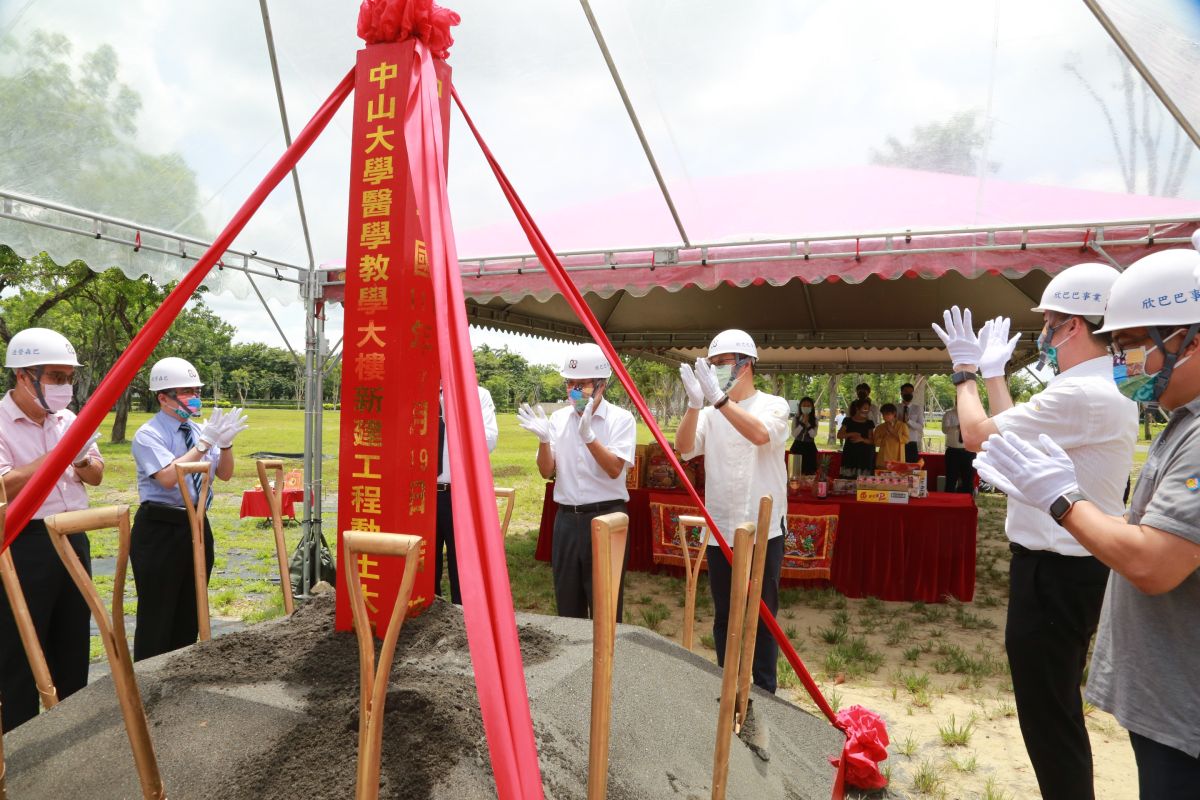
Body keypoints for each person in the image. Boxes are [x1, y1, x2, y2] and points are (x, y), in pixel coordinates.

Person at [974, 245, 1200, 799]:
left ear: (1191, 339)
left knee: (1050, 712)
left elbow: (1154, 561)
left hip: (1066, 576)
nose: (1122, 359)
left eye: (1132, 343)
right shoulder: (1178, 422)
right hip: (1166, 693)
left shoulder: (1098, 396)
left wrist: (1062, 501)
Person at [932, 261, 1136, 800]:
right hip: (1066, 565)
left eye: (1049, 321)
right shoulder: (1088, 388)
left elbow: (977, 433)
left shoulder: (1082, 394)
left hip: (1059, 568)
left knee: (1048, 716)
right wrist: (998, 378)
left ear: (1072, 325)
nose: (1043, 332)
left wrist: (965, 372)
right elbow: (1016, 436)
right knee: (1053, 707)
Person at [0, 328, 103, 732]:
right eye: (56, 377)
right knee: (21, 647)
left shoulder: (69, 419)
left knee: (72, 640)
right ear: (24, 375)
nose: (65, 386)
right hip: (25, 542)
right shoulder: (2, 423)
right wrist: (57, 455)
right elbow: (3, 485)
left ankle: (68, 734)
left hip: (73, 537)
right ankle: (21, 740)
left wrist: (79, 460)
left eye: (68, 378)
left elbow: (95, 474)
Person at [676, 329, 789, 693]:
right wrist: (696, 405)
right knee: (725, 614)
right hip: (721, 525)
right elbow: (684, 449)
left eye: (724, 363)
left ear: (747, 364)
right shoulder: (709, 412)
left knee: (763, 614)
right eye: (714, 364)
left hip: (763, 530)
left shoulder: (773, 404)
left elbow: (759, 435)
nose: (718, 369)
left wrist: (720, 401)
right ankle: (728, 687)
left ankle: (764, 690)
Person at [130, 357, 248, 661]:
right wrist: (205, 443)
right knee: (158, 611)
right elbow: (170, 477)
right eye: (185, 391)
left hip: (197, 523)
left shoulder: (198, 430)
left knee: (191, 606)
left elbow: (224, 474)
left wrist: (225, 444)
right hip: (161, 527)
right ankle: (148, 681)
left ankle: (180, 674)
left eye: (196, 390)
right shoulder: (149, 434)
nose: (193, 397)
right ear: (163, 397)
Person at [517, 343, 635, 620]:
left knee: (606, 604)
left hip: (607, 517)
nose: (574, 390)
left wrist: (590, 438)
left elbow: (614, 469)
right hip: (568, 518)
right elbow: (547, 471)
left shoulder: (620, 419)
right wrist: (544, 440)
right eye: (570, 383)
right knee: (567, 604)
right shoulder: (559, 419)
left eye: (582, 384)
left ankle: (607, 662)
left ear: (601, 385)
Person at [435, 385, 499, 604]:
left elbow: (489, 441)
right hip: (421, 495)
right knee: (423, 569)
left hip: (459, 495)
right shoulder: (416, 388)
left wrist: (454, 419)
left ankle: (463, 626)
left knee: (462, 568)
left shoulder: (476, 393)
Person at [940, 402, 975, 493]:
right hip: (953, 451)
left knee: (968, 479)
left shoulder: (972, 415)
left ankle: (967, 503)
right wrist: (957, 427)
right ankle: (948, 503)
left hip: (969, 451)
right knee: (951, 479)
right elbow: (944, 429)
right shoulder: (949, 414)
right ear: (956, 401)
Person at [837, 399, 875, 477]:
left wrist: (861, 439)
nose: (866, 411)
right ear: (857, 408)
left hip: (864, 455)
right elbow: (839, 435)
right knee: (847, 480)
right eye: (864, 408)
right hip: (850, 453)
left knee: (863, 481)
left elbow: (872, 441)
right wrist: (851, 433)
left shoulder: (869, 423)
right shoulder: (847, 420)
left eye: (868, 409)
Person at [789, 396, 818, 475]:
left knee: (809, 472)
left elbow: (813, 435)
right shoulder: (796, 418)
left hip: (810, 447)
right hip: (797, 446)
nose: (806, 407)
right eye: (804, 405)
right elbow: (794, 434)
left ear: (812, 407)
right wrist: (802, 423)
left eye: (808, 406)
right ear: (800, 407)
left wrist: (808, 424)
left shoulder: (815, 419)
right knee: (796, 472)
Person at [871, 403, 907, 468]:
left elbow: (906, 440)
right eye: (883, 414)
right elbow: (876, 443)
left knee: (897, 476)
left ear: (894, 414)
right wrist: (884, 436)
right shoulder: (879, 427)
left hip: (897, 456)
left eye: (887, 414)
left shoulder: (902, 426)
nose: (885, 416)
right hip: (883, 457)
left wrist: (893, 433)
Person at [897, 382, 924, 463]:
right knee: (898, 467)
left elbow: (920, 427)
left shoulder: (917, 408)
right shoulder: (896, 407)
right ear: (901, 393)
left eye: (911, 392)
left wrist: (909, 421)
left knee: (911, 468)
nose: (908, 394)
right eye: (906, 392)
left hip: (911, 442)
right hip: (898, 442)